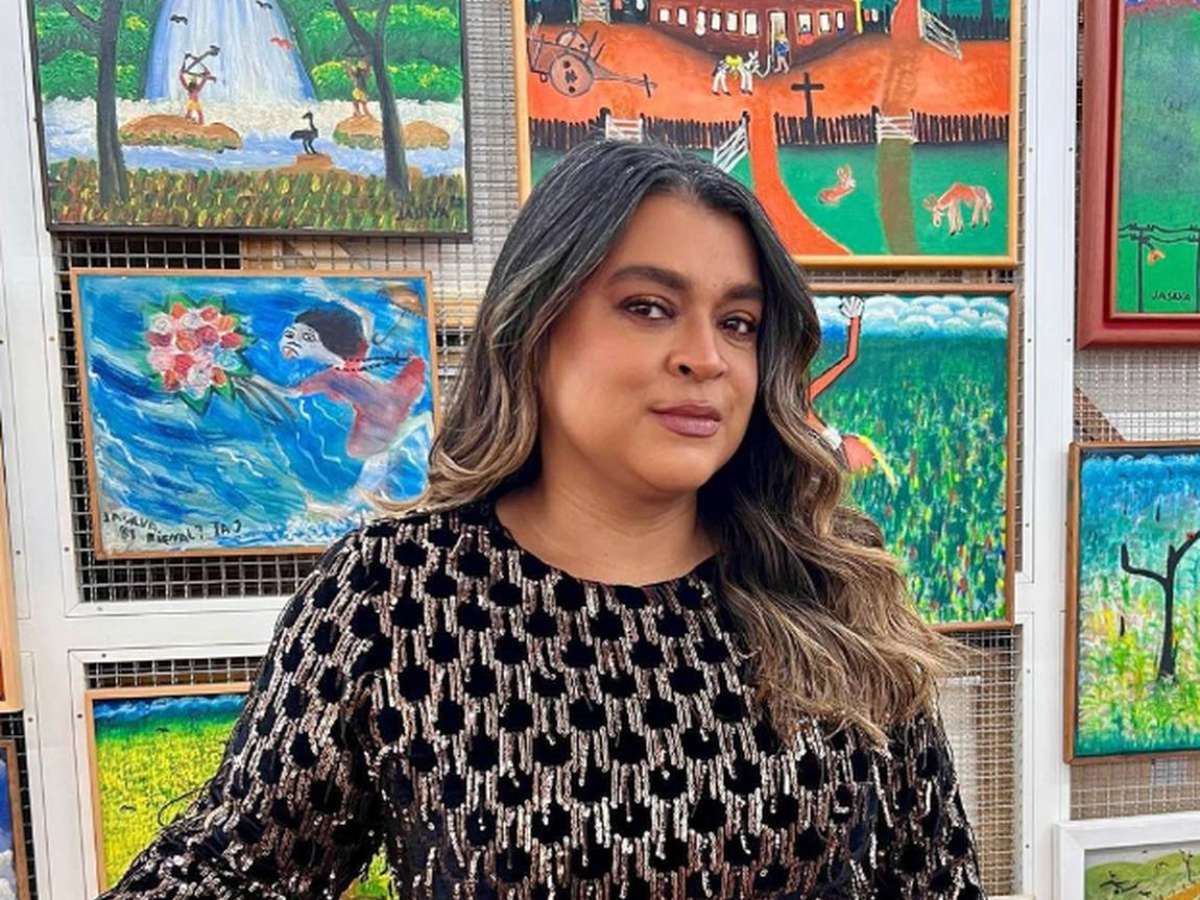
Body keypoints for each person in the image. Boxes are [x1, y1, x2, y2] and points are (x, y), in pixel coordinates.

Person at [98, 141, 985, 898]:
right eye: (648, 307)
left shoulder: (830, 581)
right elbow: (229, 871)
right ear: (537, 321)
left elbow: (936, 879)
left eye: (740, 322)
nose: (705, 357)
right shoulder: (393, 599)